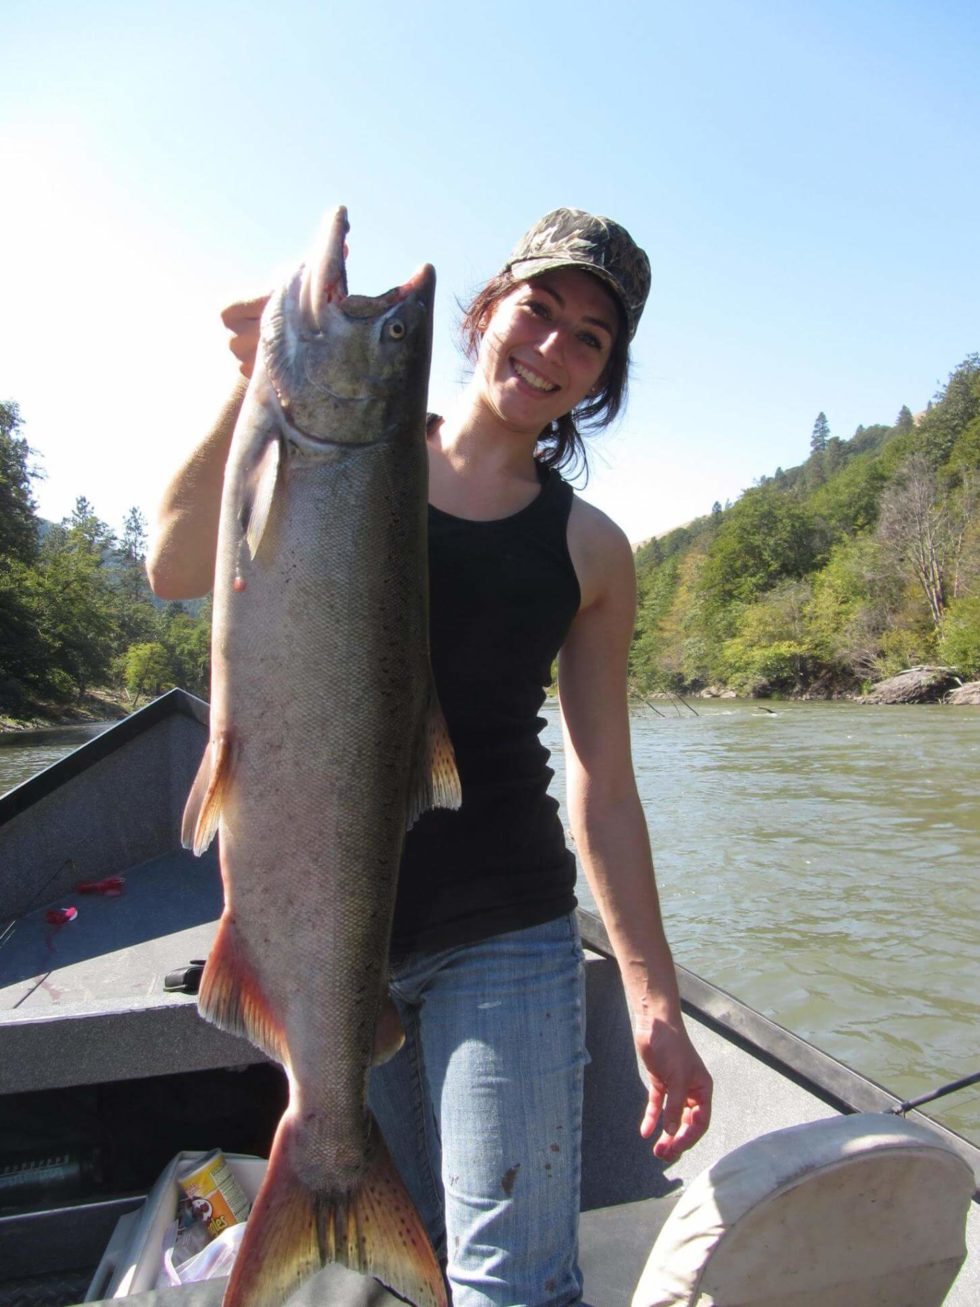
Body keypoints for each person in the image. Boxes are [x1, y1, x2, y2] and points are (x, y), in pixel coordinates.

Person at [147, 207, 712, 1307]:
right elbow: (173, 562)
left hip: (502, 920)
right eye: (535, 311)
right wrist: (254, 378)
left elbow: (602, 781)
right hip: (326, 932)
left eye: (587, 340)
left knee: (507, 1279)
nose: (549, 347)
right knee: (405, 1261)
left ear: (601, 381)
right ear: (483, 314)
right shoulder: (347, 449)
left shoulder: (589, 547)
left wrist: (651, 996)